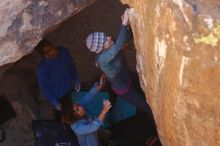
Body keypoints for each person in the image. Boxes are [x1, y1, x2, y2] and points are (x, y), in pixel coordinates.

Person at [85, 8, 154, 120]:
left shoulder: (109, 47)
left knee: (148, 79)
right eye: (106, 40)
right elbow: (119, 45)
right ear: (101, 49)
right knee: (146, 106)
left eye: (106, 36)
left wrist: (127, 27)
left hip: (127, 76)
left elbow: (125, 38)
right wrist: (124, 23)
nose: (109, 38)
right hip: (123, 89)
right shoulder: (103, 58)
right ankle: (158, 127)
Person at [61, 75, 112, 146]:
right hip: (91, 143)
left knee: (107, 134)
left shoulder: (80, 109)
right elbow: (94, 126)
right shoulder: (77, 128)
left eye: (77, 104)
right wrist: (104, 111)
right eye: (77, 109)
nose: (81, 106)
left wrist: (99, 87)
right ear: (75, 115)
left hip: (95, 132)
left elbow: (89, 96)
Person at [36, 39, 80, 112]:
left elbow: (71, 66)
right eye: (49, 50)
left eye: (52, 46)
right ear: (45, 54)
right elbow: (45, 87)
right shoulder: (42, 69)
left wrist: (76, 80)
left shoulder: (64, 52)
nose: (54, 49)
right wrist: (54, 102)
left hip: (69, 89)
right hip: (58, 97)